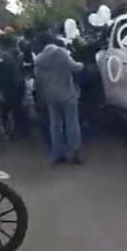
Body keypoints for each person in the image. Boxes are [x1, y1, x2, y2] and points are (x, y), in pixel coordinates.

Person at [34, 33, 84, 164]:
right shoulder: (61, 53)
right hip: (67, 93)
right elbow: (75, 67)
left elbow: (38, 80)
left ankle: (57, 153)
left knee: (55, 125)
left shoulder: (39, 60)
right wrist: (83, 64)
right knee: (72, 123)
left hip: (50, 95)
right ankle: (75, 152)